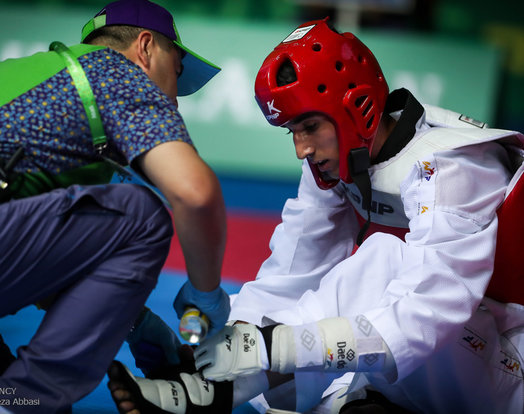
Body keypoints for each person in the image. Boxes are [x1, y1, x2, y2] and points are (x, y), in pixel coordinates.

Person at [106, 18, 524, 414]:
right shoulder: (339, 162)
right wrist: (215, 348)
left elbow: (431, 309)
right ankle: (208, 380)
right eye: (292, 131)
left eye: (309, 126)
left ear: (355, 108)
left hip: (508, 370)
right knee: (311, 386)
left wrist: (275, 348)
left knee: (383, 259)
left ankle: (212, 395)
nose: (301, 148)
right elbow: (288, 278)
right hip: (447, 363)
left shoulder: (451, 165)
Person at [0, 0, 231, 412]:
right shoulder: (114, 72)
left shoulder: (28, 83)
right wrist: (205, 296)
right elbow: (194, 194)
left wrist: (136, 324)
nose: (174, 101)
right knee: (141, 217)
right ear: (145, 49)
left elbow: (34, 260)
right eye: (176, 74)